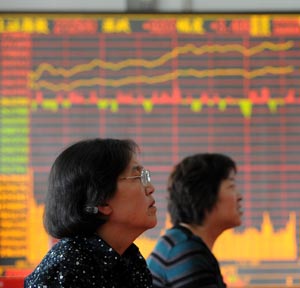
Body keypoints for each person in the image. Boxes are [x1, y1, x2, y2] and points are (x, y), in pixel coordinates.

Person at [25, 138, 157, 288]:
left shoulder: (130, 259)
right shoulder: (68, 269)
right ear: (101, 201)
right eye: (137, 177)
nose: (150, 188)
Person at [147, 153, 243, 288]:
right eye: (231, 186)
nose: (239, 197)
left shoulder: (180, 243)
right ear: (205, 195)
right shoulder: (185, 252)